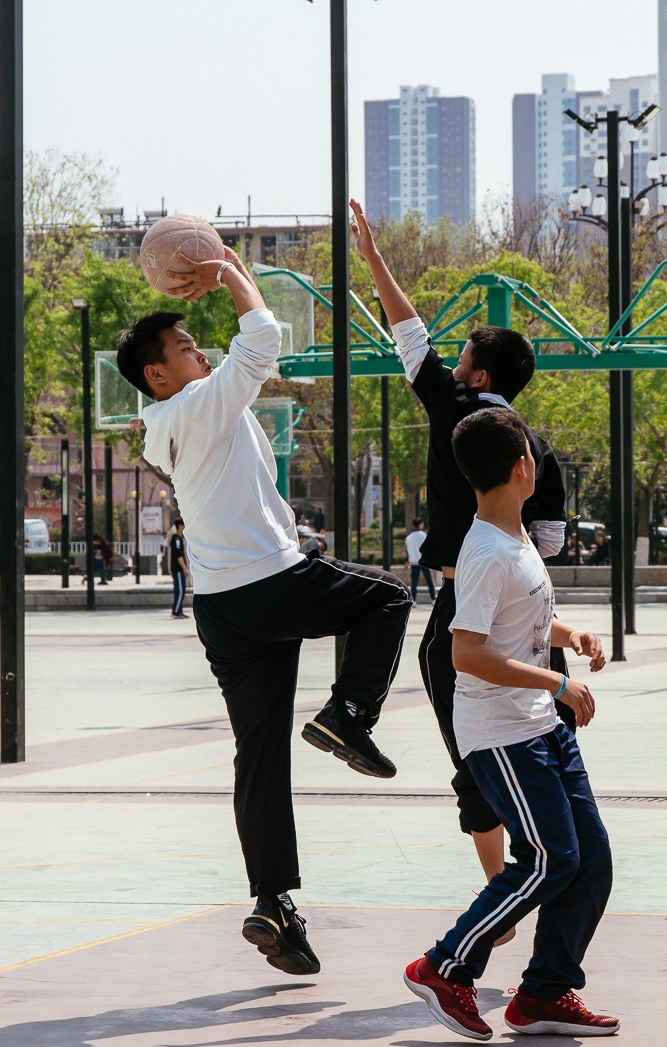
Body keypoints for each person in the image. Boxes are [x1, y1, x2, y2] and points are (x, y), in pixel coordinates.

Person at [120, 242, 411, 976]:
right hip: (268, 582)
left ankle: (271, 901)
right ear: (159, 373)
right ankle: (348, 714)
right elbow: (265, 339)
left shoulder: (173, 420)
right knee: (388, 597)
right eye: (187, 345)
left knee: (260, 756)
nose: (200, 349)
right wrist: (226, 272)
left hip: (224, 609)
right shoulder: (198, 402)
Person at [352, 197, 571, 904]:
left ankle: (500, 893)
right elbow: (550, 545)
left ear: (475, 374)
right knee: (545, 751)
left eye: (464, 355)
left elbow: (408, 330)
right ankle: (554, 871)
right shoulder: (540, 448)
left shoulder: (453, 408)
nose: (455, 362)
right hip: (535, 620)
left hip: (464, 602)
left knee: (476, 758)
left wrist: (376, 260)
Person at [403, 406, 617, 1041]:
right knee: (551, 860)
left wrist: (568, 633)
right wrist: (557, 680)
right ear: (523, 466)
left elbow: (514, 619)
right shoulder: (489, 550)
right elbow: (465, 651)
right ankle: (444, 966)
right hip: (500, 733)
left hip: (538, 724)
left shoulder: (515, 540)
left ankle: (544, 994)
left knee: (590, 859)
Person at [406, 518, 435, 603]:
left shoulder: (409, 537)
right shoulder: (423, 535)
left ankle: (413, 600)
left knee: (414, 582)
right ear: (420, 524)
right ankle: (433, 598)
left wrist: (407, 561)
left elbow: (407, 549)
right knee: (429, 580)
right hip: (424, 561)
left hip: (414, 561)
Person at [168, 519, 191, 619]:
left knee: (180, 590)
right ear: (180, 526)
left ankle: (179, 611)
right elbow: (178, 555)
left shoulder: (180, 538)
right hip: (177, 569)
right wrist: (184, 568)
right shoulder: (176, 539)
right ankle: (176, 611)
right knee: (180, 590)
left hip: (179, 570)